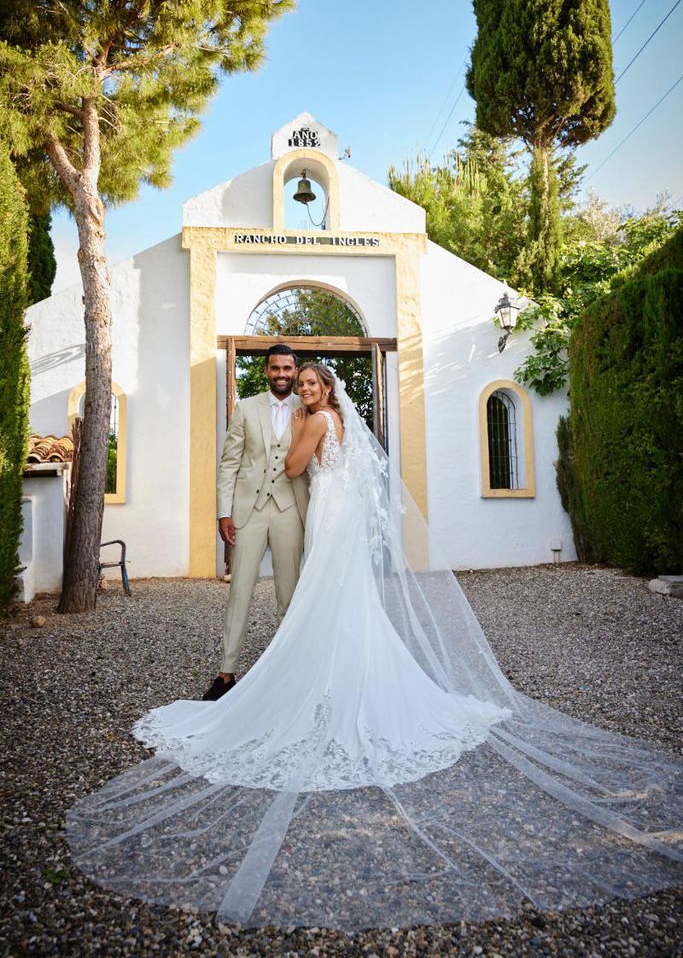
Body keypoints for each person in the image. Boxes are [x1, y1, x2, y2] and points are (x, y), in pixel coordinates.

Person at [67, 365, 682, 931]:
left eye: (310, 383)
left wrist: (292, 440)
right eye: (298, 383)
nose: (303, 389)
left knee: (322, 603)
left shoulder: (317, 421)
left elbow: (291, 469)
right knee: (341, 605)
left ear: (325, 389)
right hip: (339, 513)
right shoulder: (340, 421)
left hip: (327, 518)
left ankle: (323, 688)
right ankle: (342, 679)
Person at [203, 344, 309, 701]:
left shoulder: (308, 408)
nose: (282, 374)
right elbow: (229, 463)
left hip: (290, 510)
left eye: (287, 368)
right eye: (275, 368)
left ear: (295, 372)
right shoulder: (246, 408)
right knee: (239, 591)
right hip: (248, 510)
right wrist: (224, 511)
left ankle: (288, 670)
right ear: (266, 371)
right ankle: (226, 673)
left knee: (289, 595)